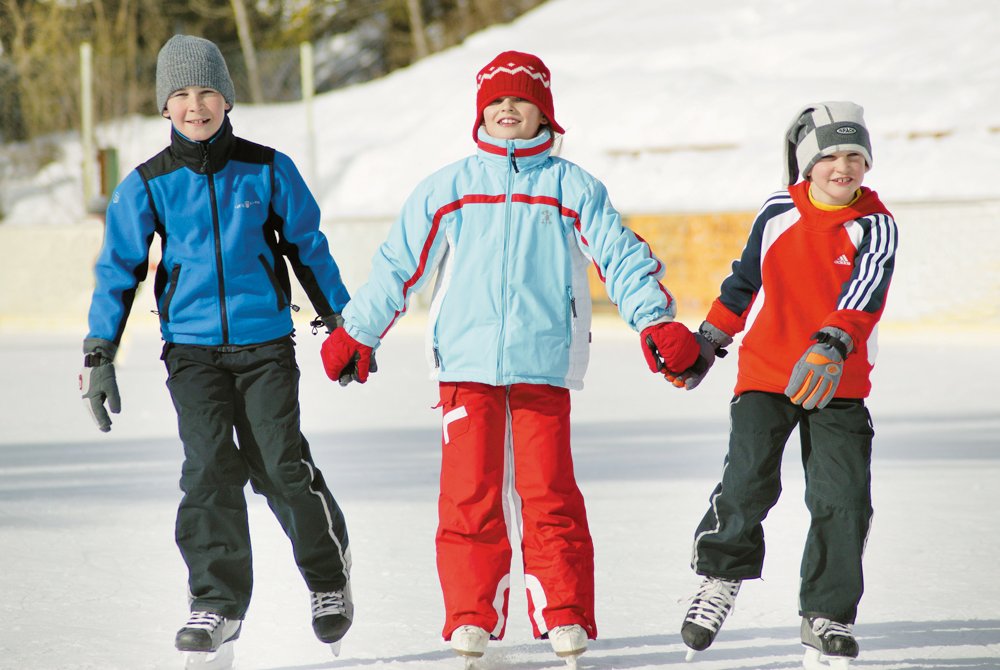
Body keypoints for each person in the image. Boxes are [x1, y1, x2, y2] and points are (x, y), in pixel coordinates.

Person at [319, 51, 705, 665]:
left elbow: (620, 255)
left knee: (549, 493)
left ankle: (564, 613)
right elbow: (398, 265)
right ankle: (471, 616)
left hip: (543, 364)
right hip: (464, 368)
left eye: (521, 100)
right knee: (469, 496)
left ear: (543, 112)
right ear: (481, 112)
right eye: (496, 100)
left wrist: (654, 320)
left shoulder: (570, 186)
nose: (507, 108)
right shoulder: (449, 187)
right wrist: (359, 333)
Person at [79, 34, 354, 665]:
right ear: (164, 106)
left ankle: (328, 579)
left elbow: (309, 249)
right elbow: (119, 270)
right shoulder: (149, 182)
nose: (194, 105)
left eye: (206, 91)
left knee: (280, 465)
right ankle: (218, 602)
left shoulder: (268, 168)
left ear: (227, 99)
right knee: (207, 470)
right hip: (192, 353)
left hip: (264, 347)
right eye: (180, 94)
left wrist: (341, 323)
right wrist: (100, 353)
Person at [677, 101, 899, 668]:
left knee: (843, 498)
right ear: (807, 163)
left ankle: (826, 613)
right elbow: (742, 284)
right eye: (829, 155)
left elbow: (865, 291)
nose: (842, 166)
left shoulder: (876, 225)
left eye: (855, 154)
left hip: (838, 380)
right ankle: (719, 580)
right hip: (767, 373)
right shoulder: (777, 210)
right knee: (746, 482)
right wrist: (709, 341)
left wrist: (832, 343)